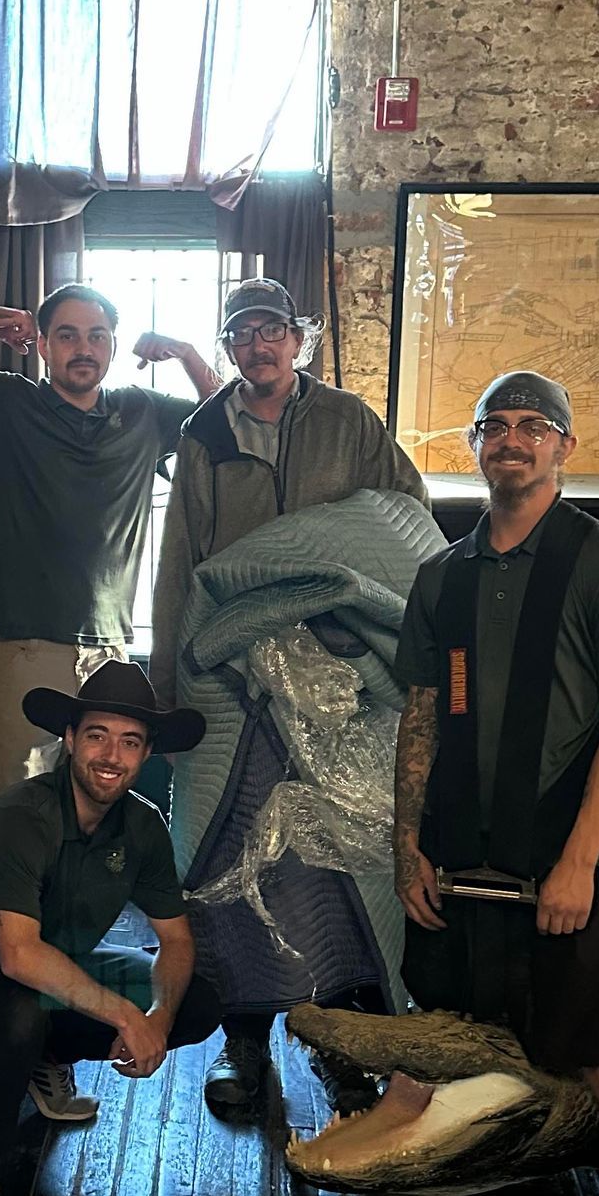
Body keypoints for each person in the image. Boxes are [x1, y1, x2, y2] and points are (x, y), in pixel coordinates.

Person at [345, 371, 599, 1196]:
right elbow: (419, 716)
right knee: (427, 1040)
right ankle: (399, 1171)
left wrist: (580, 859)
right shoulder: (441, 576)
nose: (513, 441)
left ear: (564, 447)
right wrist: (407, 846)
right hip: (455, 860)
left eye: (535, 427)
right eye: (497, 425)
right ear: (478, 444)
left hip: (560, 867)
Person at [150, 276, 429, 1119]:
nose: (259, 346)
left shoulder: (349, 422)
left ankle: (345, 1051)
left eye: (272, 330)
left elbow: (405, 516)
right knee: (234, 859)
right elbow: (182, 559)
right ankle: (243, 1045)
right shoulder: (204, 433)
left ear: (298, 341)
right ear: (230, 348)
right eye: (243, 334)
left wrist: (354, 601)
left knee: (343, 867)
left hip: (342, 677)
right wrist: (170, 686)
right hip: (239, 682)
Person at [0, 661, 222, 1196]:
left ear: (147, 754)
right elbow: (17, 955)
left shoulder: (142, 825)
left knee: (200, 1003)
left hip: (57, 969)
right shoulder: (21, 817)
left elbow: (175, 940)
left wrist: (159, 1018)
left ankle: (43, 1059)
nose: (112, 755)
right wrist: (125, 1015)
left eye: (130, 741)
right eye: (97, 736)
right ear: (69, 739)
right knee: (17, 1013)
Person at [0, 283, 216, 812]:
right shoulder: (2, 402)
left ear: (113, 344)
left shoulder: (143, 412)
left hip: (109, 655)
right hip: (24, 648)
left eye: (97, 336)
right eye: (67, 336)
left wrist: (186, 354)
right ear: (43, 345)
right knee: (9, 814)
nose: (84, 348)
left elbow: (228, 416)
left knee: (95, 815)